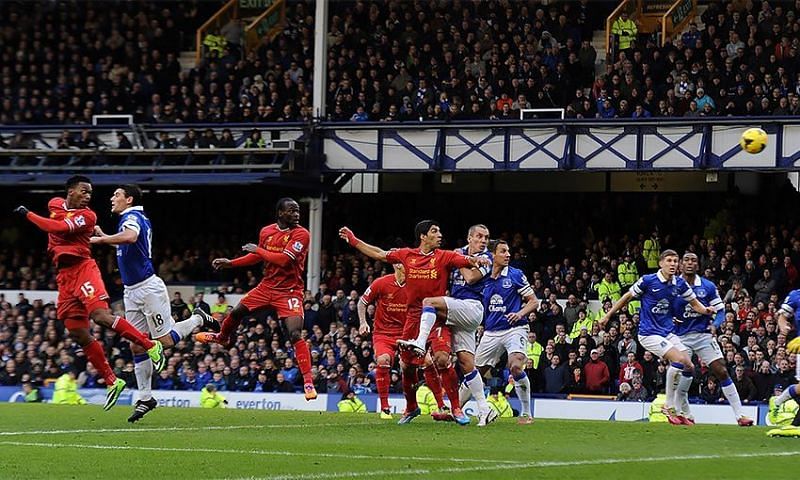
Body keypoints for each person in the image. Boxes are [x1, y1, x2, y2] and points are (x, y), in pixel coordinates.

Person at [13, 175, 165, 411]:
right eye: (84, 191)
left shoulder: (88, 216)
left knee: (100, 316)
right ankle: (113, 381)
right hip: (63, 277)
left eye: (90, 193)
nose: (88, 196)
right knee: (77, 333)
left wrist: (27, 214)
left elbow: (57, 226)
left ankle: (150, 345)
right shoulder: (55, 204)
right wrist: (59, 217)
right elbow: (58, 218)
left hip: (83, 268)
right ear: (71, 191)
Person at [91, 184, 219, 423]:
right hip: (131, 291)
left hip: (148, 289)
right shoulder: (130, 217)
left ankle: (199, 317)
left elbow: (131, 237)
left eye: (116, 195)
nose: (112, 198)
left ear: (129, 199)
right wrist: (106, 237)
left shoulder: (132, 217)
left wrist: (102, 239)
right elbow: (127, 244)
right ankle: (145, 398)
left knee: (164, 342)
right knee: (137, 345)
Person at [339, 221, 489, 425]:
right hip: (412, 319)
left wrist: (476, 260)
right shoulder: (406, 255)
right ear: (423, 236)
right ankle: (411, 407)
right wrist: (354, 241)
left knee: (443, 359)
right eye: (435, 231)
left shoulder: (444, 256)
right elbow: (379, 254)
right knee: (407, 367)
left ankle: (455, 408)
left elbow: (464, 260)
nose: (440, 235)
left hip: (437, 316)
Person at [196, 198, 318, 401]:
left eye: (298, 211)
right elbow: (259, 257)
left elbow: (283, 260)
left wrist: (258, 250)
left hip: (289, 291)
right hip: (266, 286)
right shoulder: (267, 231)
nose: (296, 215)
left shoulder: (301, 234)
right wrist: (231, 263)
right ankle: (222, 337)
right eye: (291, 211)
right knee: (236, 312)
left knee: (295, 333)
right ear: (280, 213)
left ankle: (308, 382)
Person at [600, 249, 714, 425]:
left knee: (689, 365)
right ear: (661, 263)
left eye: (675, 261)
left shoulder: (680, 284)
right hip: (649, 333)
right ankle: (668, 406)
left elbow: (694, 303)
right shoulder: (648, 280)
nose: (673, 264)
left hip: (668, 333)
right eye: (669, 260)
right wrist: (608, 315)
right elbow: (627, 297)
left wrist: (706, 310)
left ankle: (682, 409)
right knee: (678, 360)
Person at [405, 224, 494, 426]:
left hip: (472, 308)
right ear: (469, 238)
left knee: (428, 302)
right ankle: (485, 409)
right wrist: (453, 258)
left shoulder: (486, 258)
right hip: (456, 311)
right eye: (479, 237)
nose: (483, 241)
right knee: (465, 362)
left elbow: (470, 278)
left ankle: (420, 341)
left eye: (486, 238)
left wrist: (456, 259)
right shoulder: (454, 254)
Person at [672, 252, 753, 426]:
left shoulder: (707, 286)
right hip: (680, 336)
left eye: (694, 260)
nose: (690, 263)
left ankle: (740, 415)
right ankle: (682, 413)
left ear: (698, 265)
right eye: (686, 260)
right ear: (680, 264)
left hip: (703, 335)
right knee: (684, 369)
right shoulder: (672, 285)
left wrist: (715, 325)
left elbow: (721, 311)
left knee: (721, 370)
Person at [474, 239, 539, 424]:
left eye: (508, 251)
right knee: (475, 373)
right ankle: (457, 410)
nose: (508, 254)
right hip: (491, 331)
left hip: (514, 329)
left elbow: (534, 301)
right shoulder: (483, 278)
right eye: (503, 251)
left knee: (516, 365)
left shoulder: (515, 274)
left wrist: (519, 314)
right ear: (492, 255)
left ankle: (526, 413)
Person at [358, 264, 407, 419]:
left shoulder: (415, 284)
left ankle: (412, 406)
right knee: (382, 360)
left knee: (412, 366)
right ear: (397, 266)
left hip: (407, 334)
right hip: (383, 334)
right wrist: (363, 322)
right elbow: (362, 302)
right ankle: (385, 407)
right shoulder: (381, 283)